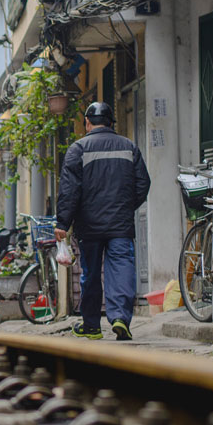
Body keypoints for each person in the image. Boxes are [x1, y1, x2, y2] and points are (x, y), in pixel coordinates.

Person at [55, 101, 151, 341]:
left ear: (87, 123)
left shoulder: (78, 149)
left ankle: (91, 325)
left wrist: (63, 223)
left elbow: (69, 190)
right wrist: (126, 207)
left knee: (90, 273)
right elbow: (143, 184)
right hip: (121, 224)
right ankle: (120, 318)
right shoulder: (129, 147)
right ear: (111, 122)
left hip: (89, 225)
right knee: (121, 268)